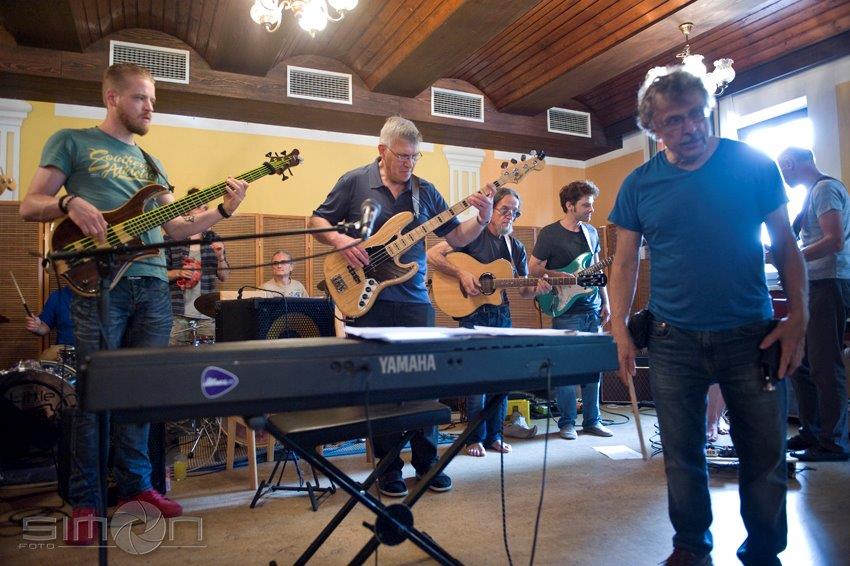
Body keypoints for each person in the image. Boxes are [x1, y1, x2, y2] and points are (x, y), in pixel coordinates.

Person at [19, 62, 249, 546]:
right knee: (94, 395)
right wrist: (67, 203)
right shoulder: (72, 141)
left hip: (152, 284)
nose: (150, 108)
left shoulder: (152, 164)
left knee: (142, 392)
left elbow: (176, 229)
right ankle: (86, 502)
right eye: (142, 98)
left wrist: (223, 210)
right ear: (112, 98)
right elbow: (28, 204)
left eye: (153, 101)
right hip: (99, 283)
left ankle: (136, 488)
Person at [607, 66, 807, 566]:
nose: (691, 128)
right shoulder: (639, 184)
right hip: (672, 340)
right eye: (674, 121)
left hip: (752, 337)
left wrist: (799, 318)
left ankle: (764, 552)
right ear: (653, 129)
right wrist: (619, 328)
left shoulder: (753, 165)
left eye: (697, 114)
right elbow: (624, 263)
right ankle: (691, 547)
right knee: (681, 454)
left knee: (765, 455)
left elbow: (786, 245)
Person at [308, 115, 494, 497]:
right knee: (381, 388)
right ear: (382, 150)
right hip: (368, 300)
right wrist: (341, 241)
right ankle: (388, 468)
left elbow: (457, 237)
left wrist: (482, 218)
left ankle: (427, 463)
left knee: (425, 383)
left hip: (414, 301)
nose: (409, 163)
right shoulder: (354, 181)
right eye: (402, 156)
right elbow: (316, 220)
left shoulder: (425, 192)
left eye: (414, 157)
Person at [427, 187, 550, 457]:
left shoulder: (515, 247)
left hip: (501, 316)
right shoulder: (471, 235)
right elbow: (432, 255)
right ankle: (474, 438)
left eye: (515, 213)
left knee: (501, 380)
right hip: (473, 316)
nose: (510, 216)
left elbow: (524, 290)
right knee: (477, 381)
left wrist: (537, 289)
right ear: (491, 209)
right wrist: (461, 274)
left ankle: (494, 435)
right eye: (505, 210)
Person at [776, 146, 850, 461]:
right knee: (800, 363)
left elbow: (834, 240)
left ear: (790, 164)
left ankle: (834, 443)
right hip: (814, 284)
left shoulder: (825, 189)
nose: (783, 176)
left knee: (824, 363)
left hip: (828, 282)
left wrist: (791, 257)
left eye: (783, 169)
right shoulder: (814, 194)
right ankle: (812, 431)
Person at [529, 180, 613, 440]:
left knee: (593, 368)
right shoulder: (550, 234)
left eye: (592, 204)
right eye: (586, 205)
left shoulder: (591, 233)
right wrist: (562, 276)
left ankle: (592, 420)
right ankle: (567, 422)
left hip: (592, 308)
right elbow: (533, 268)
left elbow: (597, 269)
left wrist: (606, 302)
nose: (591, 209)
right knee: (566, 370)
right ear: (569, 206)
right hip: (566, 311)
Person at [166, 188, 230, 344]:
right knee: (173, 356)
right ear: (186, 210)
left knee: (207, 356)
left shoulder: (214, 239)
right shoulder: (170, 239)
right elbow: (159, 275)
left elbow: (224, 277)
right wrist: (178, 273)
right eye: (198, 206)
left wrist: (220, 257)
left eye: (205, 207)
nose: (203, 210)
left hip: (207, 314)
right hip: (176, 314)